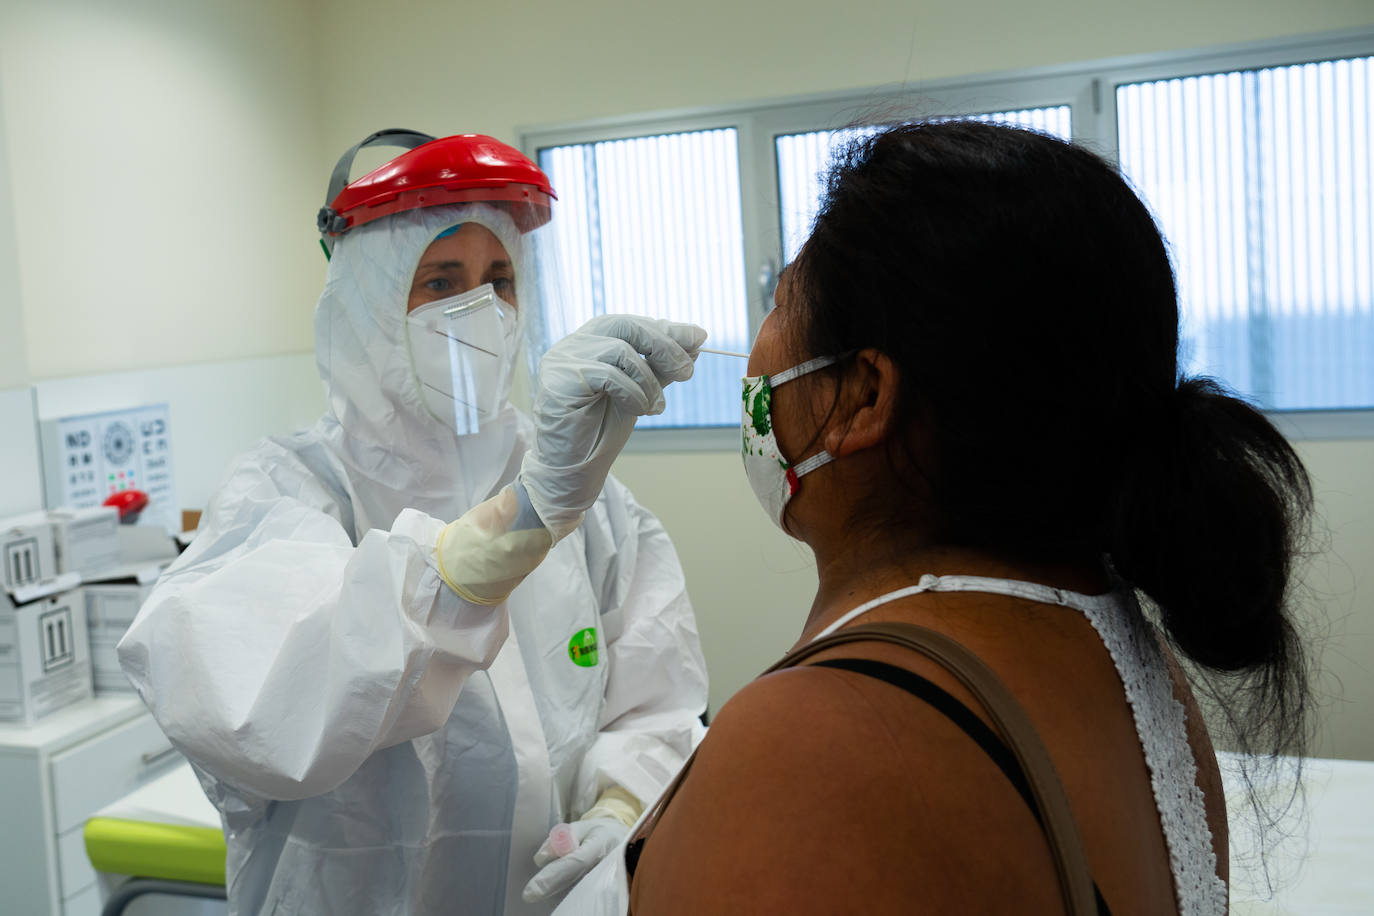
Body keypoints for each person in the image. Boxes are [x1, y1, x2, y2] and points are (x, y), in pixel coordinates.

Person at [558, 121, 1314, 915]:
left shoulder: (814, 738)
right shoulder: (1124, 653)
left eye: (781, 302)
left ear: (864, 396)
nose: (755, 354)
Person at [117, 129, 710, 915]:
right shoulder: (289, 492)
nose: (481, 309)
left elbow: (658, 696)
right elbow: (266, 711)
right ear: (369, 300)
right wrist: (509, 530)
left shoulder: (584, 492)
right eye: (440, 282)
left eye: (499, 278)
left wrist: (620, 807)